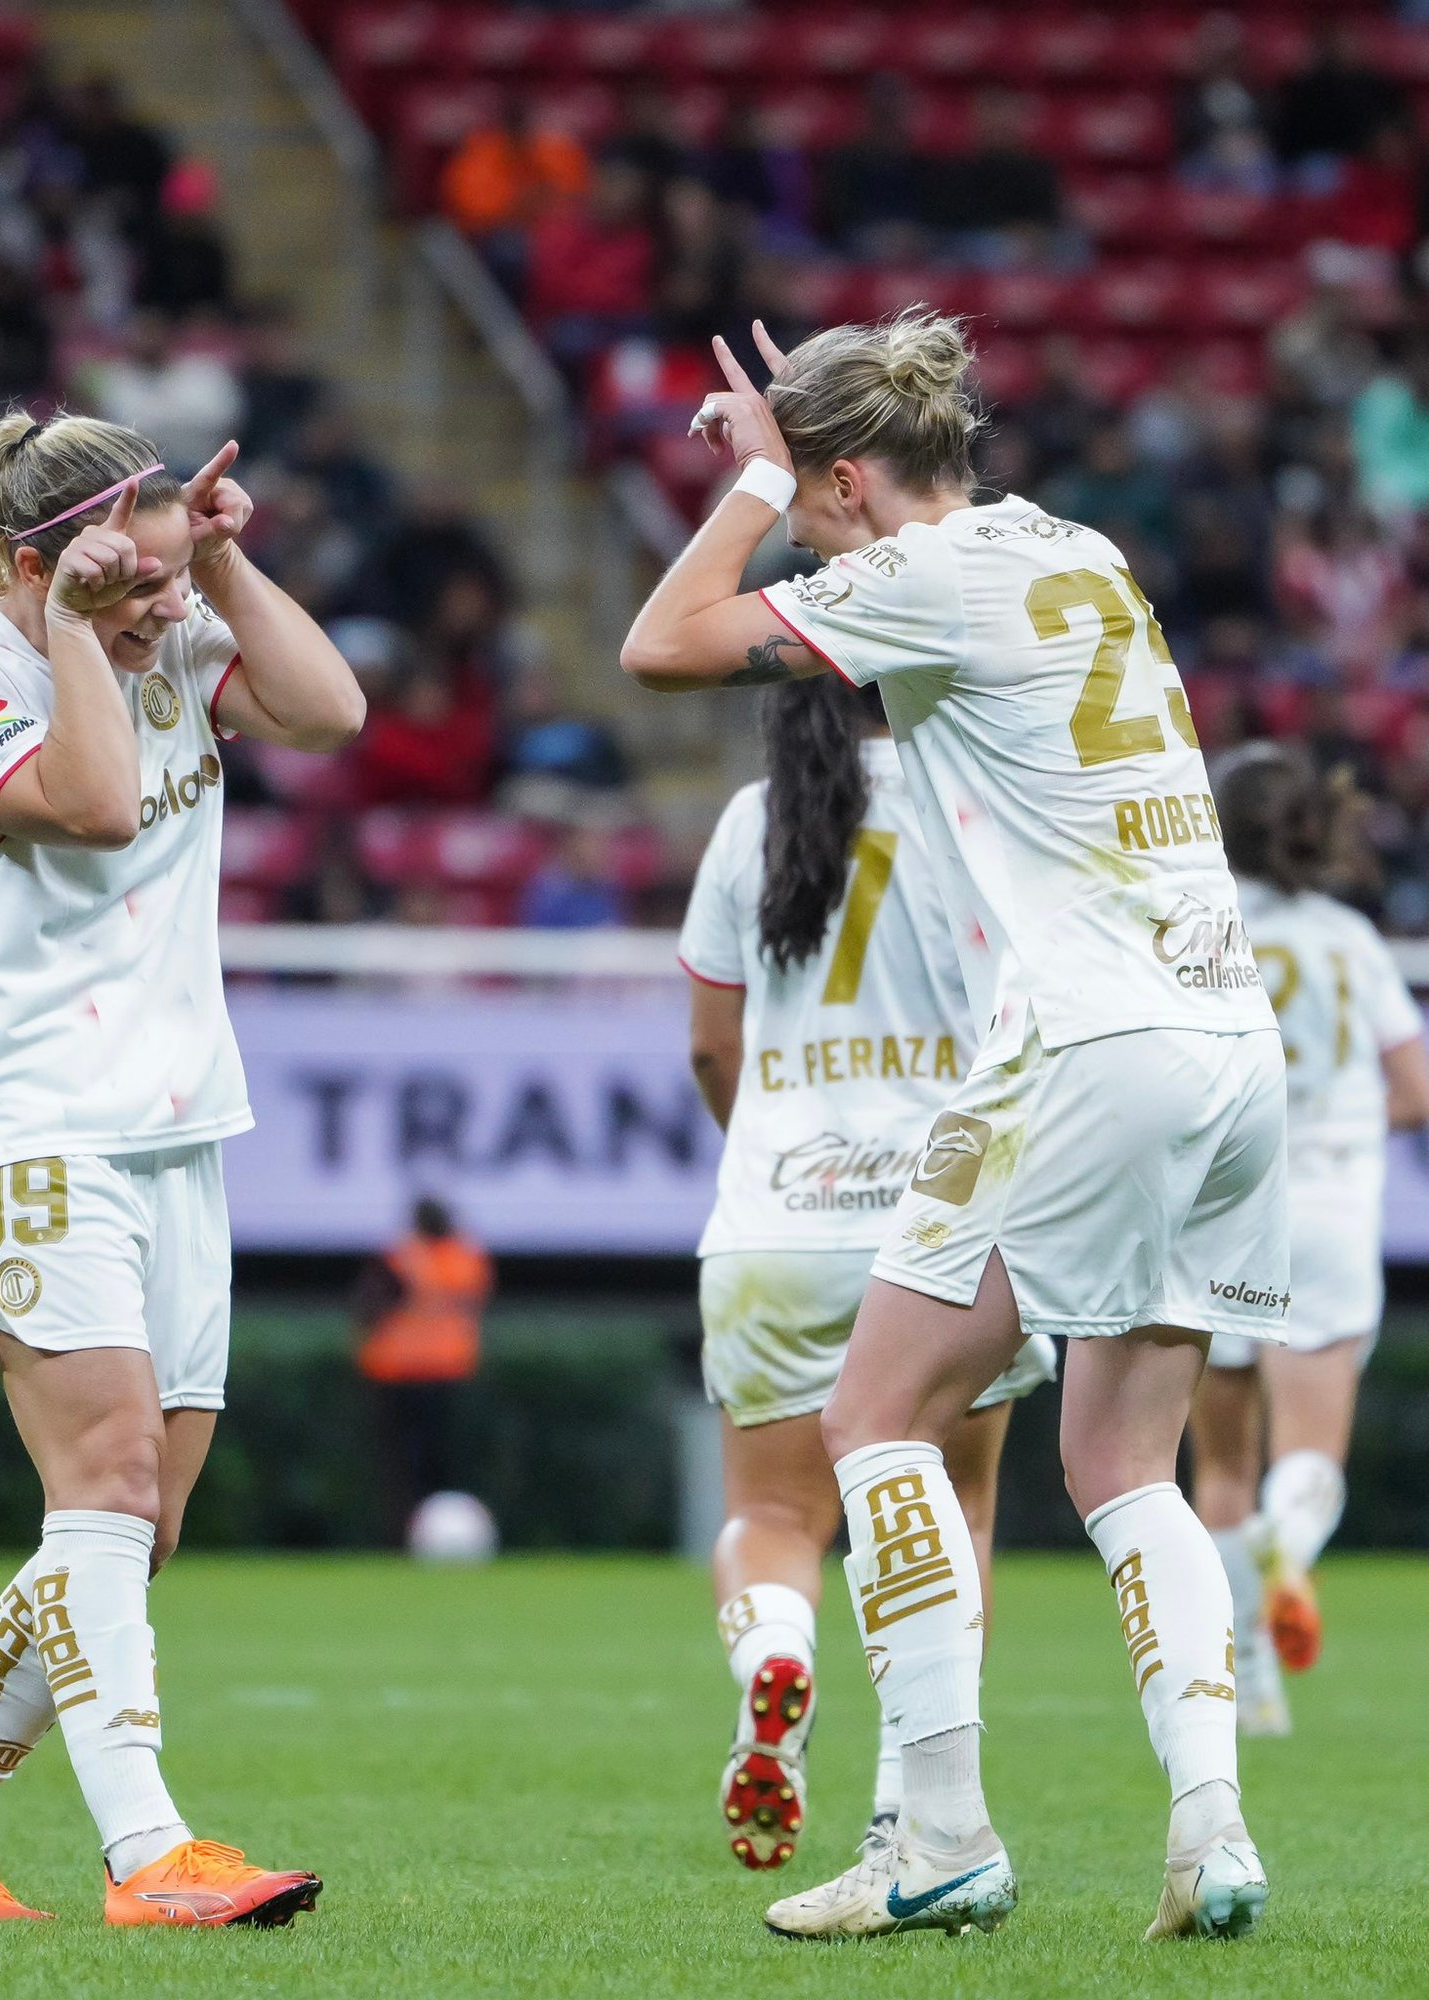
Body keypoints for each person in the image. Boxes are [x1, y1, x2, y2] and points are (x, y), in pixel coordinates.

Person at [621, 310, 1286, 1943]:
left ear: (848, 479)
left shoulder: (925, 574)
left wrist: (751, 479)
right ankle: (1215, 1834)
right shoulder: (1081, 544)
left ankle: (939, 1832)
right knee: (1130, 1461)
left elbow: (665, 640)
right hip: (1225, 1037)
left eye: (811, 492)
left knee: (872, 1421)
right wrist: (795, 441)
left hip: (1086, 1036)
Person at [0, 409, 365, 1925]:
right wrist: (89, 629)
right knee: (106, 1486)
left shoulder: (169, 618)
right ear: (42, 562)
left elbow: (330, 711)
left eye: (167, 583)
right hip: (33, 1128)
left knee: (133, 1530)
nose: (168, 612)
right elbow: (86, 804)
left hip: (176, 1126)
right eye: (135, 582)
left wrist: (213, 556)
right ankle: (148, 1854)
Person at [679, 672, 1054, 1909]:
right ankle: (912, 1797)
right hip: (946, 1210)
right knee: (957, 1504)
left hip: (779, 1211)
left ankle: (776, 1654)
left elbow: (708, 1044)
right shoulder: (975, 806)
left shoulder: (752, 816)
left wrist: (766, 1147)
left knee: (776, 1513)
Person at [1190, 745, 1429, 1735]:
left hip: (1214, 1204)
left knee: (1219, 1466)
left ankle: (1245, 1682)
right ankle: (1292, 1545)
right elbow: (1413, 1093)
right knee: (1307, 1453)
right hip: (1326, 1202)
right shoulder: (1347, 938)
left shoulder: (1197, 929)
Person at [353, 1197, 493, 1546]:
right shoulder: (469, 1258)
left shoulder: (403, 1258)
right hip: (447, 1373)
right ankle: (440, 1535)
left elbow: (366, 1309)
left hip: (398, 1373)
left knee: (402, 1468)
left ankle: (405, 1538)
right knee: (441, 1465)